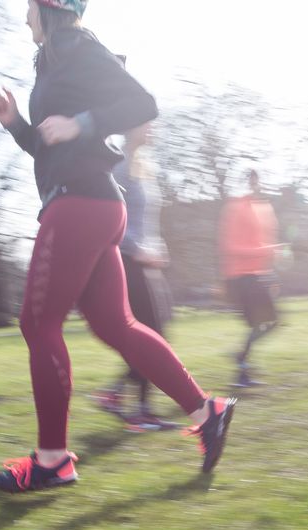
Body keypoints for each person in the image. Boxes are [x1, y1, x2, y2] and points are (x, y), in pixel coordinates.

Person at [0, 0, 235, 493]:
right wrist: (16, 122)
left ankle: (53, 460)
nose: (24, 16)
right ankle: (208, 412)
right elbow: (48, 146)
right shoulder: (57, 61)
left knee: (38, 322)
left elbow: (143, 104)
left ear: (51, 7)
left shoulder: (80, 45)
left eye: (30, 7)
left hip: (80, 202)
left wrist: (82, 123)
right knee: (114, 324)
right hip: (89, 201)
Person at [89, 121, 179, 431]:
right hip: (127, 260)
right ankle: (140, 411)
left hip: (147, 261)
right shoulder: (120, 164)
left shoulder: (144, 165)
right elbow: (111, 213)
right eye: (146, 125)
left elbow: (145, 219)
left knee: (161, 332)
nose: (152, 129)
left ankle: (115, 394)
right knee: (152, 335)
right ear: (131, 128)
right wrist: (136, 248)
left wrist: (158, 247)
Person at [219, 169, 282, 388]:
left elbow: (263, 241)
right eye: (252, 181)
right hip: (241, 277)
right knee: (264, 322)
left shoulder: (263, 207)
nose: (256, 185)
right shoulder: (236, 208)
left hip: (259, 275)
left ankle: (241, 363)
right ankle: (241, 366)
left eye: (258, 180)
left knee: (269, 322)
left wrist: (271, 273)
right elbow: (231, 247)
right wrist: (267, 251)